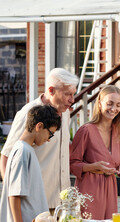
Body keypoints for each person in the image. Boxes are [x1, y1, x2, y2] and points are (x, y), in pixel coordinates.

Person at [0, 68, 79, 210]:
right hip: (34, 204)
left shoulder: (64, 112)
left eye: (73, 94)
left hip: (62, 204)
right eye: (68, 94)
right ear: (51, 90)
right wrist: (14, 199)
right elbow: (6, 156)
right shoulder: (28, 113)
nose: (72, 100)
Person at [0, 105, 61, 222]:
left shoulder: (27, 150)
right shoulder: (23, 151)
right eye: (50, 133)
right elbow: (14, 194)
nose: (49, 139)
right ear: (39, 126)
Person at [70, 85, 120, 220]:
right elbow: (72, 164)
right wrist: (93, 167)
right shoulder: (86, 130)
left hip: (110, 188)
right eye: (110, 103)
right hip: (88, 189)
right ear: (100, 103)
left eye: (118, 105)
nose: (114, 109)